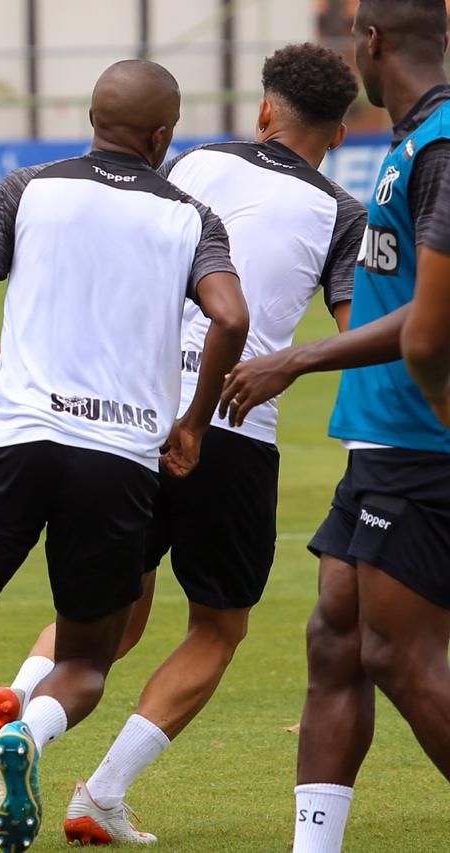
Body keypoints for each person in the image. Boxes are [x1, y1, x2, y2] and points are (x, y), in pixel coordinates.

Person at [0, 43, 366, 846]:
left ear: (264, 111)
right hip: (233, 423)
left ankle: (22, 714)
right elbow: (349, 333)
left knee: (106, 616)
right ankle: (94, 790)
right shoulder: (342, 213)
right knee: (218, 626)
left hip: (130, 416)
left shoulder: (193, 162)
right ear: (341, 135)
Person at [0, 60, 247, 853]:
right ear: (164, 135)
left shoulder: (25, 187)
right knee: (86, 662)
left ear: (90, 117)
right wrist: (195, 420)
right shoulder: (192, 216)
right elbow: (231, 317)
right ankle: (27, 736)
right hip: (117, 462)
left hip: (16, 442)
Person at [220, 3, 450, 851]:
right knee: (337, 642)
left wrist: (296, 358)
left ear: (373, 42)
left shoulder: (443, 144)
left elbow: (433, 319)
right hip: (382, 439)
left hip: (424, 442)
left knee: (398, 654)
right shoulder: (415, 140)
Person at [402, 205, 450, 427]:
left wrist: (300, 360)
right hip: (382, 416)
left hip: (410, 420)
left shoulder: (434, 169)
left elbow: (424, 343)